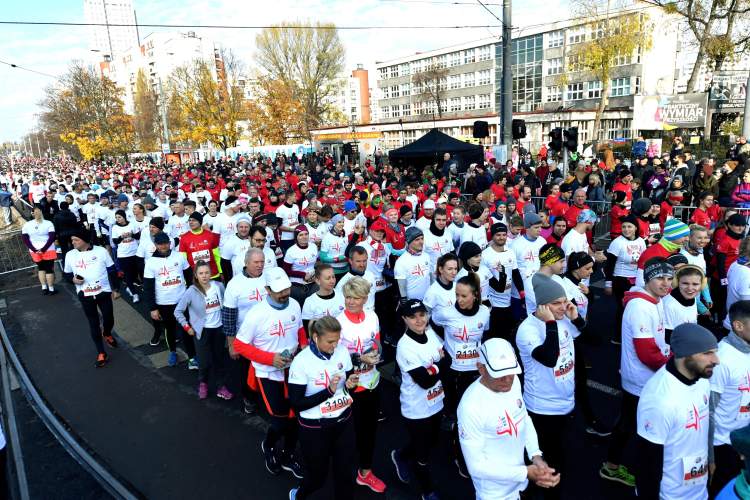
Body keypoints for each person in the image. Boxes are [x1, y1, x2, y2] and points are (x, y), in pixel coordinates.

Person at [600, 257, 674, 487]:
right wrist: (673, 368)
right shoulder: (641, 307)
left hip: (646, 375)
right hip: (642, 377)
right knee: (638, 424)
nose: (666, 283)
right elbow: (647, 353)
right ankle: (619, 469)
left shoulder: (655, 299)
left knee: (630, 420)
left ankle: (613, 466)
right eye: (660, 278)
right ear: (648, 278)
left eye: (670, 278)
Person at [458, 338, 560, 500]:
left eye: (511, 371)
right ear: (481, 369)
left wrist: (536, 456)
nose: (507, 379)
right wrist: (525, 472)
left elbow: (524, 418)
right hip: (494, 495)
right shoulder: (471, 406)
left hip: (521, 484)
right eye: (499, 374)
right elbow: (476, 467)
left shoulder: (514, 383)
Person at [233, 267, 307, 478]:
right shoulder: (256, 315)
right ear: (267, 289)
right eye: (279, 291)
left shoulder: (293, 303)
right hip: (269, 374)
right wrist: (270, 359)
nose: (285, 294)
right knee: (281, 423)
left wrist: (302, 344)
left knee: (295, 421)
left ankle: (288, 457)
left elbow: (300, 327)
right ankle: (269, 445)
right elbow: (240, 345)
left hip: (294, 372)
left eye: (286, 289)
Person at [516, 273, 585, 500]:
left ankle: (527, 487)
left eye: (564, 301)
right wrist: (550, 323)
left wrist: (576, 319)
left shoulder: (563, 318)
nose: (564, 306)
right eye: (556, 303)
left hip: (564, 404)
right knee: (553, 462)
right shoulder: (528, 330)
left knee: (546, 457)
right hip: (542, 408)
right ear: (542, 306)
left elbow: (593, 339)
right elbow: (549, 358)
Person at [634, 323, 719, 500]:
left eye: (714, 352)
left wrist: (710, 460)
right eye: (707, 353)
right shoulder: (660, 400)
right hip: (670, 496)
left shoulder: (702, 380)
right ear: (684, 355)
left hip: (698, 491)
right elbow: (647, 463)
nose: (716, 360)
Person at [287, 315, 359, 500]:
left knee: (345, 474)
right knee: (318, 479)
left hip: (344, 422)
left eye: (337, 340)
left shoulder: (342, 351)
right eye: (330, 341)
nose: (335, 346)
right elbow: (296, 405)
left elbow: (349, 379)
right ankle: (297, 495)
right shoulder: (301, 362)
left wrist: (351, 383)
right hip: (315, 428)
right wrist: (328, 391)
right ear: (315, 337)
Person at [431, 274, 490, 477]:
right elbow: (433, 323)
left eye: (464, 296)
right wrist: (444, 347)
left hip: (477, 371)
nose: (459, 300)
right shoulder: (446, 313)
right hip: (454, 372)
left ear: (475, 295)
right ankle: (461, 456)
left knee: (478, 413)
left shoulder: (484, 312)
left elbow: (485, 336)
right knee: (461, 415)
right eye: (457, 295)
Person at [391, 299, 451, 500]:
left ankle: (401, 455)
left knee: (430, 441)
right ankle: (428, 491)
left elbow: (448, 358)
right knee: (423, 453)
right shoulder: (405, 346)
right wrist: (438, 365)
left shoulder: (430, 333)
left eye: (422, 315)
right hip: (416, 408)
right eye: (413, 317)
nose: (419, 320)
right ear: (404, 319)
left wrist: (434, 367)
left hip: (436, 400)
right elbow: (424, 381)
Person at [335, 277, 387, 493]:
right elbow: (334, 357)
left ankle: (365, 473)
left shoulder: (373, 316)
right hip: (349, 387)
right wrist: (359, 360)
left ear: (366, 298)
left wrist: (375, 353)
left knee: (370, 432)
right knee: (351, 435)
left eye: (356, 298)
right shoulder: (338, 322)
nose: (351, 301)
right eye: (347, 296)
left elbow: (377, 342)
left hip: (372, 384)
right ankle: (341, 473)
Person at [708, 300, 750, 496]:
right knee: (725, 489)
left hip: (743, 437)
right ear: (738, 326)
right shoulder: (722, 360)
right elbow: (708, 411)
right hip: (722, 443)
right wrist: (710, 457)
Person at [174, 260, 233, 401]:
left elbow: (227, 305)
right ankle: (203, 383)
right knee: (205, 363)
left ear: (211, 273)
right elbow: (178, 311)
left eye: (206, 272)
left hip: (219, 330)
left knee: (219, 360)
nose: (204, 276)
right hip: (202, 332)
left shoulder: (218, 287)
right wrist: (187, 328)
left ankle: (221, 387)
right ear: (196, 275)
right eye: (201, 273)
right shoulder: (191, 291)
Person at [62, 228, 120, 368]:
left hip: (103, 292)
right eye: (72, 240)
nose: (73, 242)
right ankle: (101, 352)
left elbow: (112, 270)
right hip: (85, 295)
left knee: (109, 319)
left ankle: (106, 333)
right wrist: (73, 280)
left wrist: (116, 288)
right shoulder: (70, 255)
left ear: (86, 241)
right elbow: (67, 274)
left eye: (76, 240)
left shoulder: (100, 251)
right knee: (93, 322)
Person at [222, 247, 268, 415]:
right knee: (248, 370)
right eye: (256, 262)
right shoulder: (235, 284)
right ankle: (249, 398)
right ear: (246, 263)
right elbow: (228, 316)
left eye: (262, 262)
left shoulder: (269, 278)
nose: (260, 265)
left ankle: (270, 395)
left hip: (269, 335)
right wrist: (231, 343)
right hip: (246, 338)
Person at [143, 231, 194, 368]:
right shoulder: (151, 262)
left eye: (166, 243)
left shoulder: (179, 256)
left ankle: (192, 357)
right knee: (170, 329)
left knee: (187, 328)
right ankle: (173, 352)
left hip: (182, 301)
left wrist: (192, 294)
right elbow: (148, 287)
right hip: (164, 303)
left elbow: (189, 275)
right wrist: (152, 308)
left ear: (170, 243)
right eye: (160, 244)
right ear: (155, 245)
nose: (163, 246)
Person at [604, 216, 646, 343]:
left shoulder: (641, 242)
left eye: (629, 227)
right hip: (620, 279)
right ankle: (618, 336)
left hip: (637, 280)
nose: (626, 229)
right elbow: (610, 265)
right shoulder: (617, 243)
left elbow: (643, 262)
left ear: (636, 228)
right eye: (624, 227)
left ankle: (631, 333)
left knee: (635, 308)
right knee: (624, 308)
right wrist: (608, 284)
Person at [482, 222, 522, 341]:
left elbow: (515, 274)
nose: (501, 237)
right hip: (493, 303)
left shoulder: (510, 252)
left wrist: (522, 294)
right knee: (495, 335)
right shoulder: (485, 255)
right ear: (493, 236)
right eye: (498, 235)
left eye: (504, 234)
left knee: (506, 334)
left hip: (507, 300)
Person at [712, 213, 747, 326]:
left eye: (743, 225)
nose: (741, 228)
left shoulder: (739, 238)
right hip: (721, 277)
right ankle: (716, 321)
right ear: (729, 225)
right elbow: (720, 263)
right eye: (738, 225)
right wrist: (723, 280)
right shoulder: (724, 240)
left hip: (733, 276)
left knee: (729, 301)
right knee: (719, 302)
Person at [511, 212, 546, 318]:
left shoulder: (542, 242)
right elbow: (513, 271)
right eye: (536, 227)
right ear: (527, 227)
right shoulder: (516, 245)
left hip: (538, 289)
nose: (540, 230)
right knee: (517, 320)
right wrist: (521, 292)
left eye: (540, 227)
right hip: (519, 292)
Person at [22, 208, 58, 295]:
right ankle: (51, 289)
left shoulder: (27, 224)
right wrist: (44, 249)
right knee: (49, 269)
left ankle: (44, 287)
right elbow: (52, 237)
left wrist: (34, 249)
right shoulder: (48, 223)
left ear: (32, 214)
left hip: (34, 249)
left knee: (41, 268)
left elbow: (25, 239)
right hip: (48, 248)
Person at [178, 211, 222, 280]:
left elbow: (216, 255)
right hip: (195, 276)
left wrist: (220, 271)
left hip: (212, 274)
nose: (191, 222)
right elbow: (183, 260)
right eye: (189, 220)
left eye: (194, 220)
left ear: (200, 222)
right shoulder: (184, 237)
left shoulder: (209, 235)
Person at [284, 225, 319, 307]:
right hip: (297, 286)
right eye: (301, 235)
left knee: (314, 307)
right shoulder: (291, 251)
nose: (304, 237)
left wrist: (315, 272)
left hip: (313, 284)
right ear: (296, 237)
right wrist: (303, 275)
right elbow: (286, 270)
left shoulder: (313, 246)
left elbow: (317, 262)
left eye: (306, 234)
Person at [111, 209, 141, 303]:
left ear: (124, 217)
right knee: (127, 273)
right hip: (123, 254)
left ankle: (129, 287)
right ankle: (134, 294)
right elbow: (115, 242)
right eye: (116, 217)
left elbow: (138, 236)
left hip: (134, 252)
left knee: (135, 272)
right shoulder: (115, 228)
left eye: (119, 217)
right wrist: (121, 237)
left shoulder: (132, 224)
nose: (118, 219)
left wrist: (132, 234)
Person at [662, 265, 703, 333]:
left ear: (702, 285)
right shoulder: (668, 305)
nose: (690, 288)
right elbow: (667, 337)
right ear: (677, 283)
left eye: (695, 284)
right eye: (685, 283)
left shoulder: (692, 298)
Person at [422, 208, 454, 274]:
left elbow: (452, 254)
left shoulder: (448, 234)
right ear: (433, 220)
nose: (441, 223)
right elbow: (420, 258)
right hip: (430, 275)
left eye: (444, 220)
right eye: (438, 220)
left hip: (446, 274)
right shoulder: (424, 236)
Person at [321, 214, 350, 281]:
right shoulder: (327, 237)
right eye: (339, 222)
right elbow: (322, 258)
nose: (342, 224)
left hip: (346, 269)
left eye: (343, 222)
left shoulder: (346, 234)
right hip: (333, 272)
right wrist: (338, 259)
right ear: (334, 223)